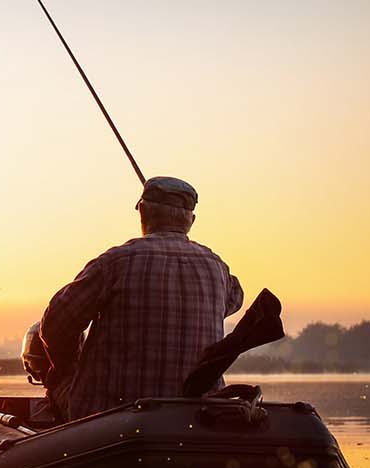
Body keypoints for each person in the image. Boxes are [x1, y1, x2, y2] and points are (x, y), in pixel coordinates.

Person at [37, 176, 243, 421]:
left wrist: (68, 366)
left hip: (109, 420)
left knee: (58, 379)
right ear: (191, 221)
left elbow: (55, 324)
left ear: (142, 211)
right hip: (195, 417)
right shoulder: (218, 268)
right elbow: (236, 298)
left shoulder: (115, 263)